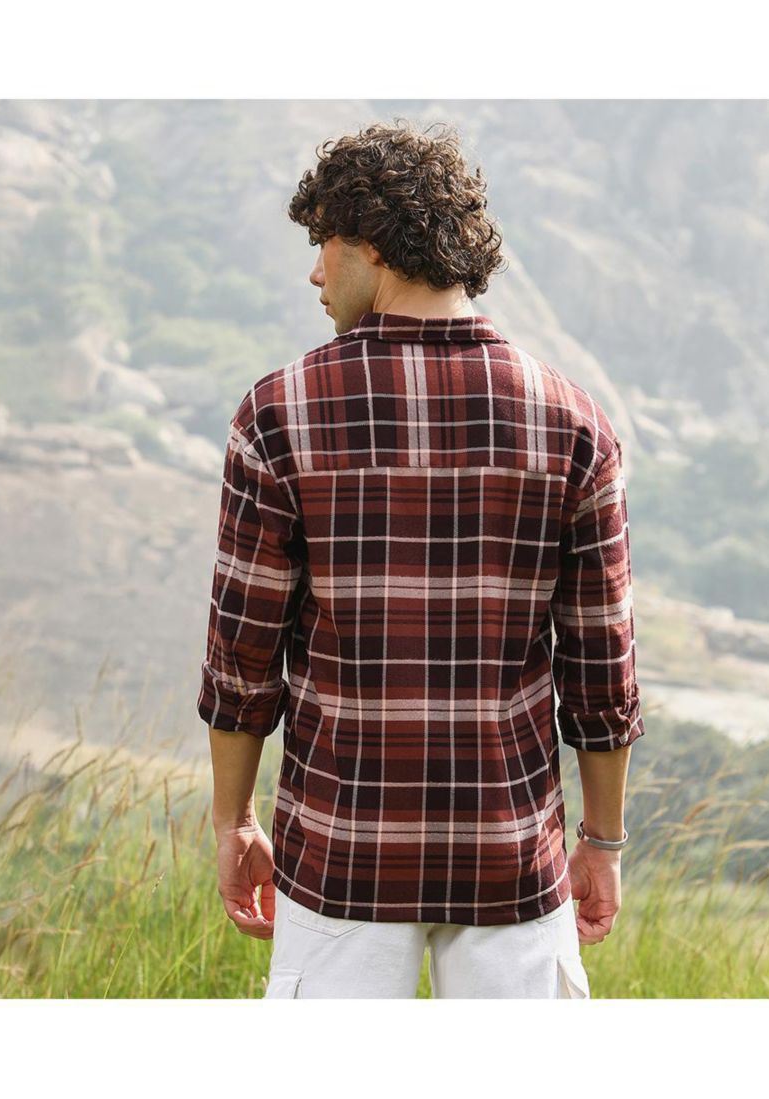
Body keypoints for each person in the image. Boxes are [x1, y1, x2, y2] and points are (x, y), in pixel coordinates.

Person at [197, 118, 646, 999]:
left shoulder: (279, 414)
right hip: (511, 858)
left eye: (325, 243)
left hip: (340, 855)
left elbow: (241, 659)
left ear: (373, 244)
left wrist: (233, 818)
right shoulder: (574, 424)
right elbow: (603, 672)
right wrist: (602, 839)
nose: (316, 272)